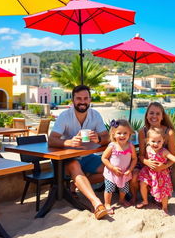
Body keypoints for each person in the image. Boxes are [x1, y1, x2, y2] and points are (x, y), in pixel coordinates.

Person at [48, 85, 109, 220]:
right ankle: (97, 204)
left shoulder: (95, 115)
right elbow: (51, 140)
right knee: (75, 165)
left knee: (109, 170)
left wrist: (98, 138)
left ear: (90, 99)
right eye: (79, 98)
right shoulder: (64, 116)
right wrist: (67, 142)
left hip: (87, 157)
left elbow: (107, 137)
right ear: (73, 100)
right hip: (66, 160)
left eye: (85, 98)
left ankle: (75, 184)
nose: (82, 101)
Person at [137, 128, 175, 214]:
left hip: (161, 174)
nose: (156, 144)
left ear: (163, 141)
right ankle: (145, 200)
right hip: (149, 172)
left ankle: (165, 207)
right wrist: (147, 162)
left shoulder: (164, 151)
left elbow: (173, 158)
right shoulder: (148, 149)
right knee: (142, 184)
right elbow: (144, 157)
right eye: (153, 141)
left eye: (159, 141)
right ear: (148, 141)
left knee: (164, 192)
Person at [130, 102, 175, 204]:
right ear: (147, 115)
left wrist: (163, 166)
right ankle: (135, 197)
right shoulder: (143, 131)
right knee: (134, 177)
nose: (154, 116)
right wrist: (147, 162)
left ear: (162, 116)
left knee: (161, 199)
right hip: (146, 163)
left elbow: (173, 157)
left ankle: (153, 194)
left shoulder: (169, 132)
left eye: (157, 113)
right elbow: (141, 155)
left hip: (163, 165)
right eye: (151, 113)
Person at [102, 119, 137, 214]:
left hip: (124, 173)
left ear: (129, 133)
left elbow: (134, 159)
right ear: (113, 134)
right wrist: (112, 168)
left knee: (124, 189)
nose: (122, 135)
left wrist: (130, 169)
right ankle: (107, 204)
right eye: (119, 133)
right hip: (112, 173)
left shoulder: (130, 146)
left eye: (125, 133)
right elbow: (104, 158)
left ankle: (121, 200)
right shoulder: (112, 146)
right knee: (109, 189)